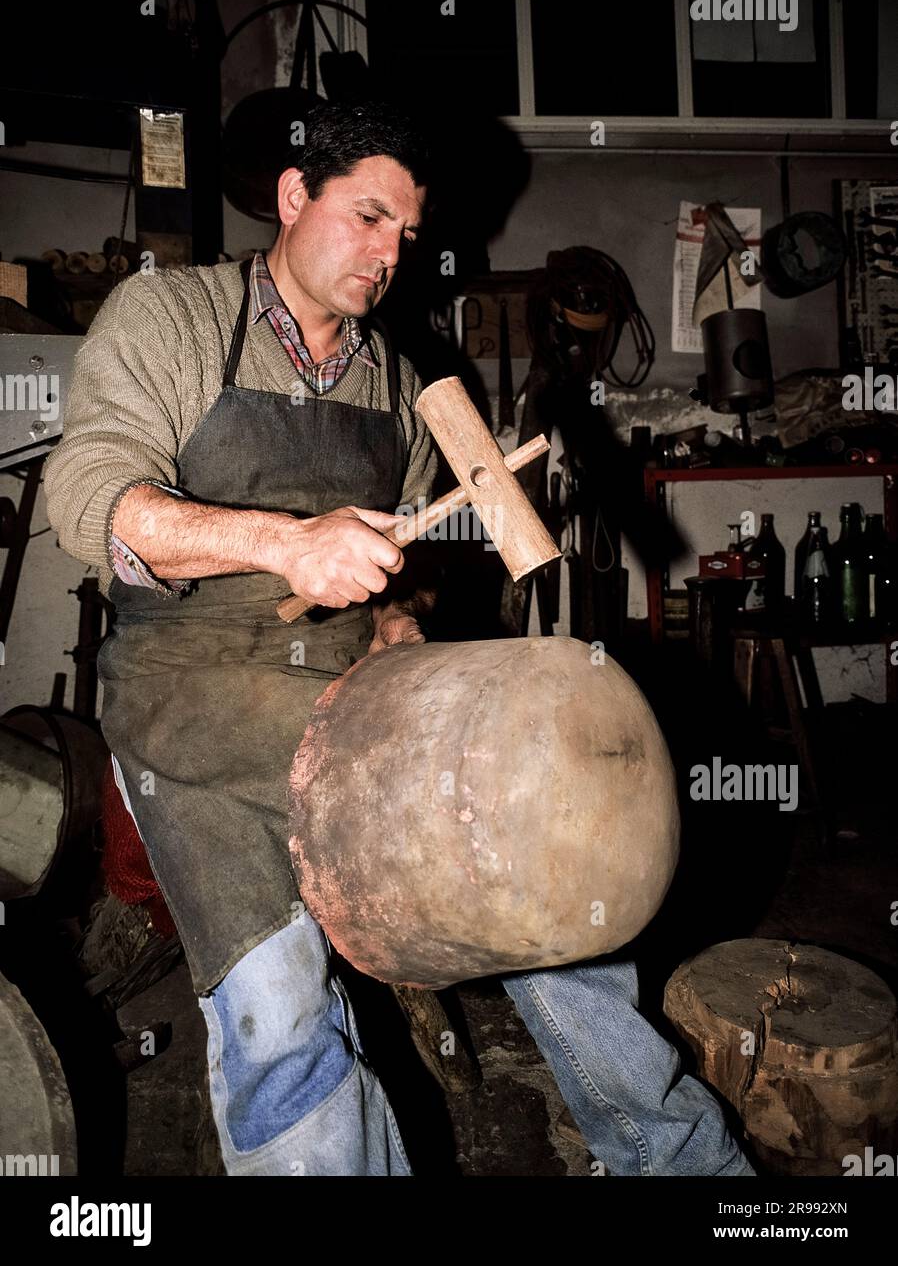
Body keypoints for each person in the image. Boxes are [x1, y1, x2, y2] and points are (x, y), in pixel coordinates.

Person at [45, 100, 754, 1177]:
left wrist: (395, 619)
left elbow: (400, 571)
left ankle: (682, 1163)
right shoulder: (175, 320)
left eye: (404, 235)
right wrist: (285, 545)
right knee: (279, 1013)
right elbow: (87, 496)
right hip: (186, 687)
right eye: (367, 217)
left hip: (343, 691)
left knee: (544, 872)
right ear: (294, 197)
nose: (386, 255)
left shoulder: (395, 378)